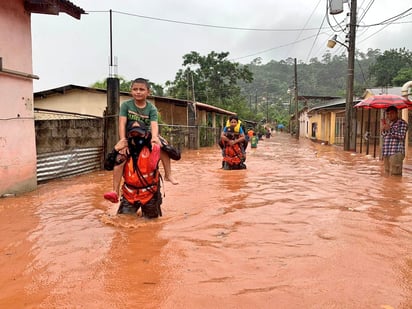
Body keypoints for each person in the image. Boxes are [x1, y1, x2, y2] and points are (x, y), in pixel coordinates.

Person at [104, 78, 178, 204]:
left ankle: (168, 174)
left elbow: (154, 125)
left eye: (141, 89)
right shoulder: (126, 105)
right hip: (130, 136)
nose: (138, 92)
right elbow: (122, 123)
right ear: (131, 91)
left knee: (162, 148)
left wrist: (155, 138)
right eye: (135, 89)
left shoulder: (152, 108)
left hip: (146, 136)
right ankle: (115, 191)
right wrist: (123, 141)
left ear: (148, 92)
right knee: (120, 158)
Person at [104, 120, 162, 217]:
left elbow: (176, 156)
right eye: (133, 134)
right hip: (129, 194)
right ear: (128, 136)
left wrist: (162, 144)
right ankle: (115, 191)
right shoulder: (124, 150)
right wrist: (115, 149)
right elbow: (107, 166)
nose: (136, 137)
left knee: (152, 225)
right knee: (122, 221)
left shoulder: (152, 147)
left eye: (139, 134)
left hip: (150, 194)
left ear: (146, 134)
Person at [381, 105, 408, 176]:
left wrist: (389, 129)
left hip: (396, 153)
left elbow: (401, 136)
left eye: (392, 113)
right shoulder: (389, 123)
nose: (389, 115)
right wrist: (383, 130)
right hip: (387, 152)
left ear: (397, 113)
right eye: (388, 114)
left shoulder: (402, 123)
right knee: (387, 173)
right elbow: (385, 136)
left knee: (395, 175)